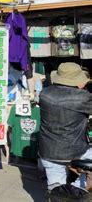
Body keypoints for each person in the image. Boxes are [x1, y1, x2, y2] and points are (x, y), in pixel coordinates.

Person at [39, 62, 92, 198]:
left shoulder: (44, 94)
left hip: (49, 150)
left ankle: (67, 192)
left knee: (56, 191)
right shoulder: (82, 97)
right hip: (76, 150)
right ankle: (80, 187)